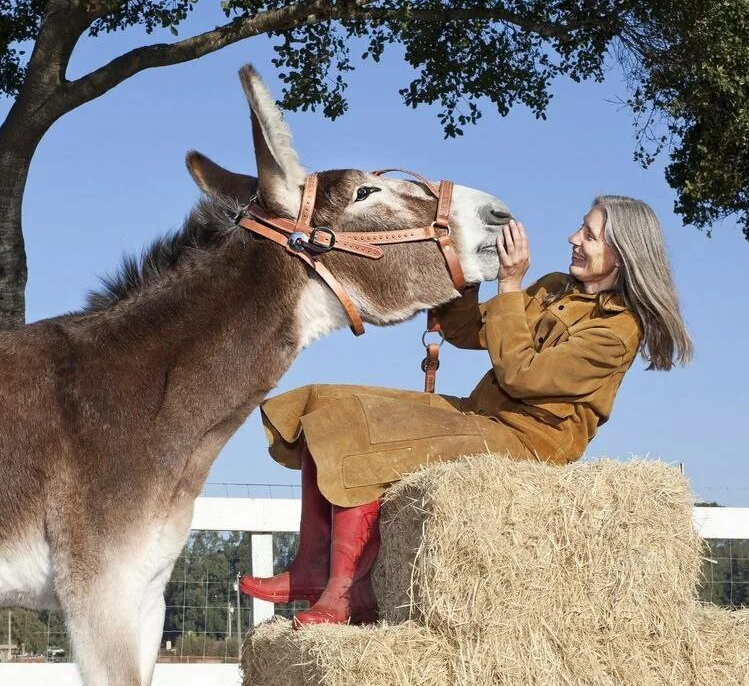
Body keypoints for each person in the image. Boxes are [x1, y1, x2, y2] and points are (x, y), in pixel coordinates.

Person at [240, 195, 694, 627]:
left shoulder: (616, 330)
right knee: (326, 401)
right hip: (478, 417)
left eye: (590, 235)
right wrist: (465, 267)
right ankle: (312, 565)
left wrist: (511, 285)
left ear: (623, 253)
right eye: (581, 227)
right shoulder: (556, 288)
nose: (574, 238)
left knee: (363, 433)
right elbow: (466, 331)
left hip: (528, 442)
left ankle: (347, 589)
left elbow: (521, 374)